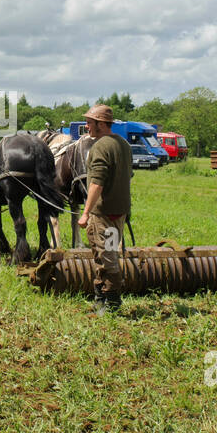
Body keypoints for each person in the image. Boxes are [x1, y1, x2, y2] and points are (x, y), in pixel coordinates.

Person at [76, 104, 132, 315]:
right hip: (119, 212)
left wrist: (85, 213)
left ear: (101, 124)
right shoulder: (123, 144)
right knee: (104, 254)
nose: (87, 126)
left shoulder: (101, 147)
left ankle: (111, 304)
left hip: (104, 214)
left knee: (107, 257)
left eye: (90, 122)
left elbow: (97, 183)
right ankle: (100, 298)